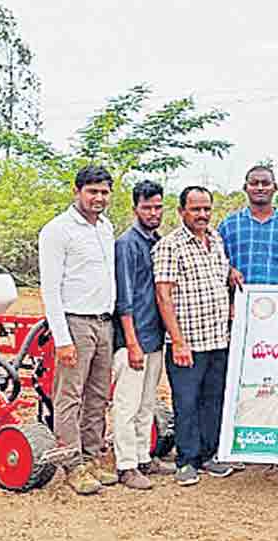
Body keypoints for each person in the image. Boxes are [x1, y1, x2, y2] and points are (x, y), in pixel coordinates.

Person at [38, 165, 118, 496]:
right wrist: (62, 338)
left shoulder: (106, 228)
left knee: (99, 396)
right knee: (69, 396)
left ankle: (93, 454)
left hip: (104, 322)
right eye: (92, 191)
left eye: (104, 192)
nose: (98, 198)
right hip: (75, 322)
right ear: (77, 191)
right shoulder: (58, 230)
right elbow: (50, 288)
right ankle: (72, 464)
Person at [154, 186, 242, 486]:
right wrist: (177, 341)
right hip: (188, 342)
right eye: (195, 209)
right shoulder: (170, 245)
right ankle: (186, 460)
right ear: (182, 212)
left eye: (206, 209)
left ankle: (208, 455)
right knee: (187, 402)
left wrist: (232, 272)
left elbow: (217, 275)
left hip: (218, 338)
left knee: (212, 399)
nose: (202, 215)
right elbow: (163, 295)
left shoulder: (215, 238)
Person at [111, 180, 167, 491]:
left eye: (158, 207)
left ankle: (144, 457)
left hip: (155, 337)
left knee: (148, 404)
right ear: (135, 209)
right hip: (133, 339)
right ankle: (126, 465)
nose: (153, 212)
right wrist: (131, 343)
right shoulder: (127, 244)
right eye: (147, 207)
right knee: (127, 405)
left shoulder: (157, 242)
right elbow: (125, 298)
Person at [218, 165, 278, 286]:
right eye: (254, 183)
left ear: (275, 187)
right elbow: (217, 265)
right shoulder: (228, 226)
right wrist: (230, 271)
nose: (260, 188)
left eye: (265, 183)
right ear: (245, 188)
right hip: (239, 301)